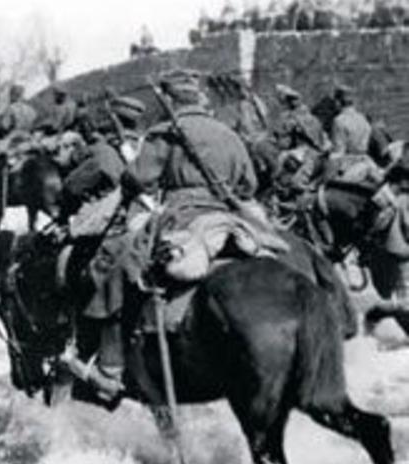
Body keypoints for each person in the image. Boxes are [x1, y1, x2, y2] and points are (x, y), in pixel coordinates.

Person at [63, 68, 259, 402]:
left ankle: (110, 368)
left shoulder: (166, 133)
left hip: (182, 217)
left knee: (120, 267)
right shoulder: (228, 133)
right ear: (197, 97)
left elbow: (139, 179)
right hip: (227, 217)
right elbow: (249, 185)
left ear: (168, 98)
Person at [271, 84, 328, 196]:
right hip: (320, 155)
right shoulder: (313, 118)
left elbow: (282, 142)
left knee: (279, 163)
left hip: (306, 154)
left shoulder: (291, 118)